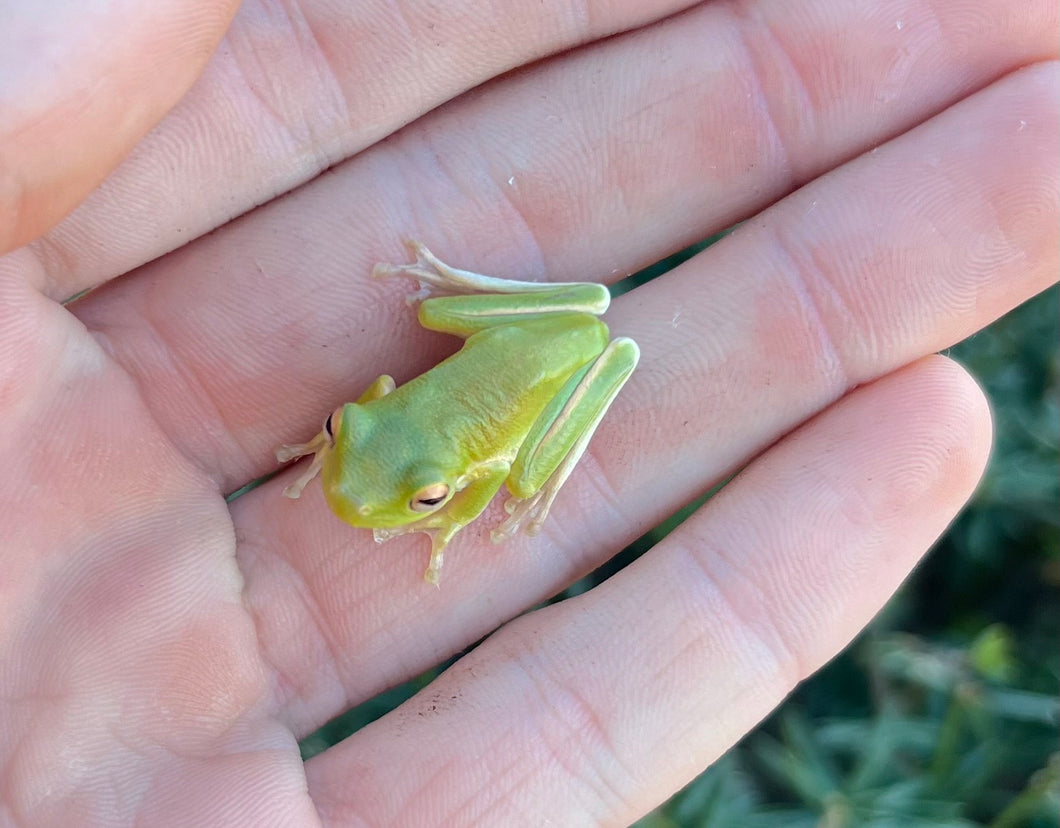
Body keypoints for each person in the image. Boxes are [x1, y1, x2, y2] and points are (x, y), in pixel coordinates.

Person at [1, 1, 1055, 824]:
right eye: (348, 447)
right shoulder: (367, 422)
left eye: (414, 500)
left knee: (522, 451)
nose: (355, 468)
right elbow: (368, 405)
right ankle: (455, 330)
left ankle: (481, 370)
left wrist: (458, 496)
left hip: (556, 374)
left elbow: (409, 417)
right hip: (508, 350)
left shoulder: (435, 449)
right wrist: (375, 459)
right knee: (460, 402)